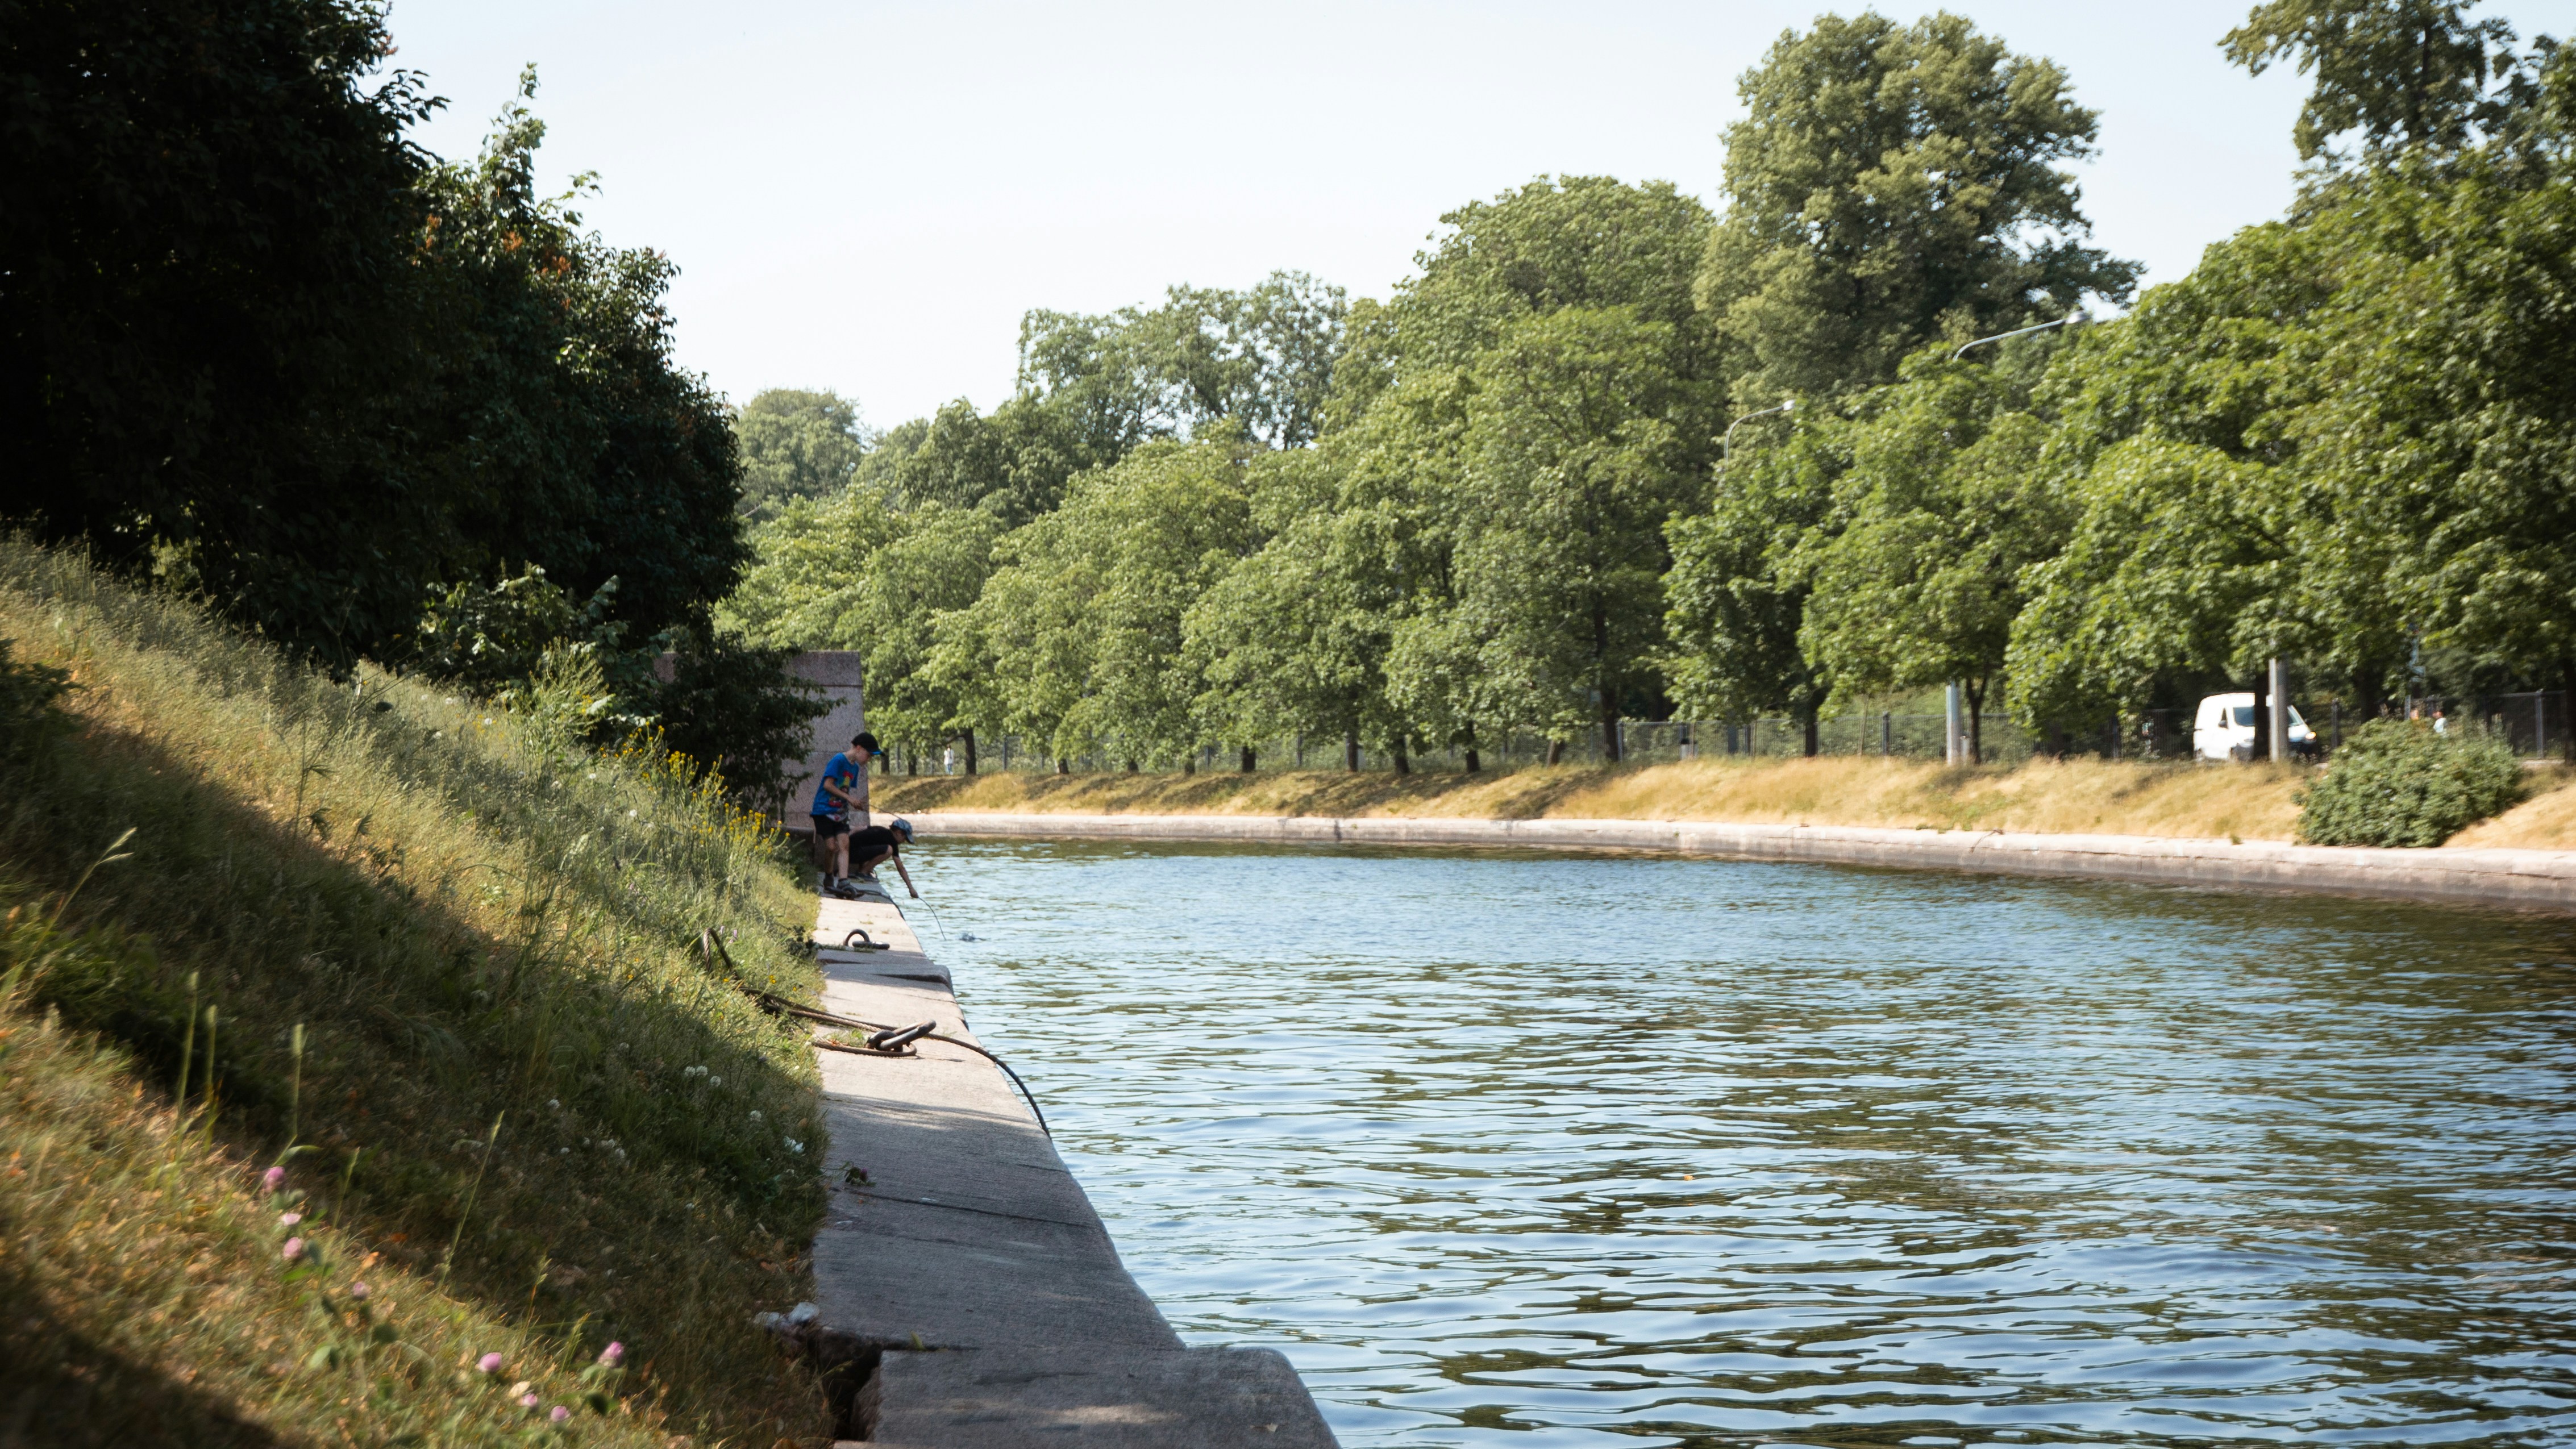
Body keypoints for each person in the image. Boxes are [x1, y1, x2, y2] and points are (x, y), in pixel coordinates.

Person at [810, 731, 884, 894]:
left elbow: (844, 789)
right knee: (831, 847)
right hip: (823, 810)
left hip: (840, 813)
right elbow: (828, 786)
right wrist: (849, 798)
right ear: (858, 748)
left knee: (844, 844)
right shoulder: (838, 760)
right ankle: (829, 877)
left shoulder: (855, 768)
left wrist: (854, 802)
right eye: (869, 755)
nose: (869, 759)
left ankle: (843, 881)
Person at [848, 818, 918, 898]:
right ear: (899, 833)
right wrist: (911, 889)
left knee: (874, 845)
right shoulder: (892, 841)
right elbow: (901, 868)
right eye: (905, 838)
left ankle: (866, 869)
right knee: (888, 850)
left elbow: (858, 829)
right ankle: (862, 872)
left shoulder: (880, 829)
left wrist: (847, 839)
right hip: (853, 855)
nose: (904, 841)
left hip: (848, 852)